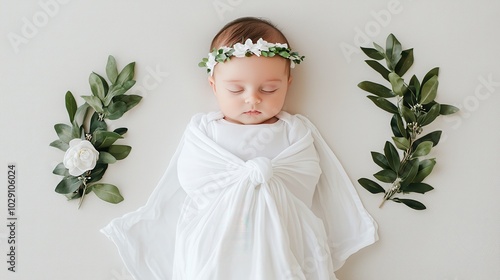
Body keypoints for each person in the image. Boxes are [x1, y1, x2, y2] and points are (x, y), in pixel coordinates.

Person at [102, 17, 378, 280]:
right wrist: (245, 179)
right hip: (216, 234)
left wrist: (263, 178)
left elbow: (306, 177)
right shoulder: (205, 130)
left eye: (269, 89)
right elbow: (193, 177)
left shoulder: (294, 130)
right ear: (214, 85)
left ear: (288, 85)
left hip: (281, 233)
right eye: (235, 90)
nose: (252, 99)